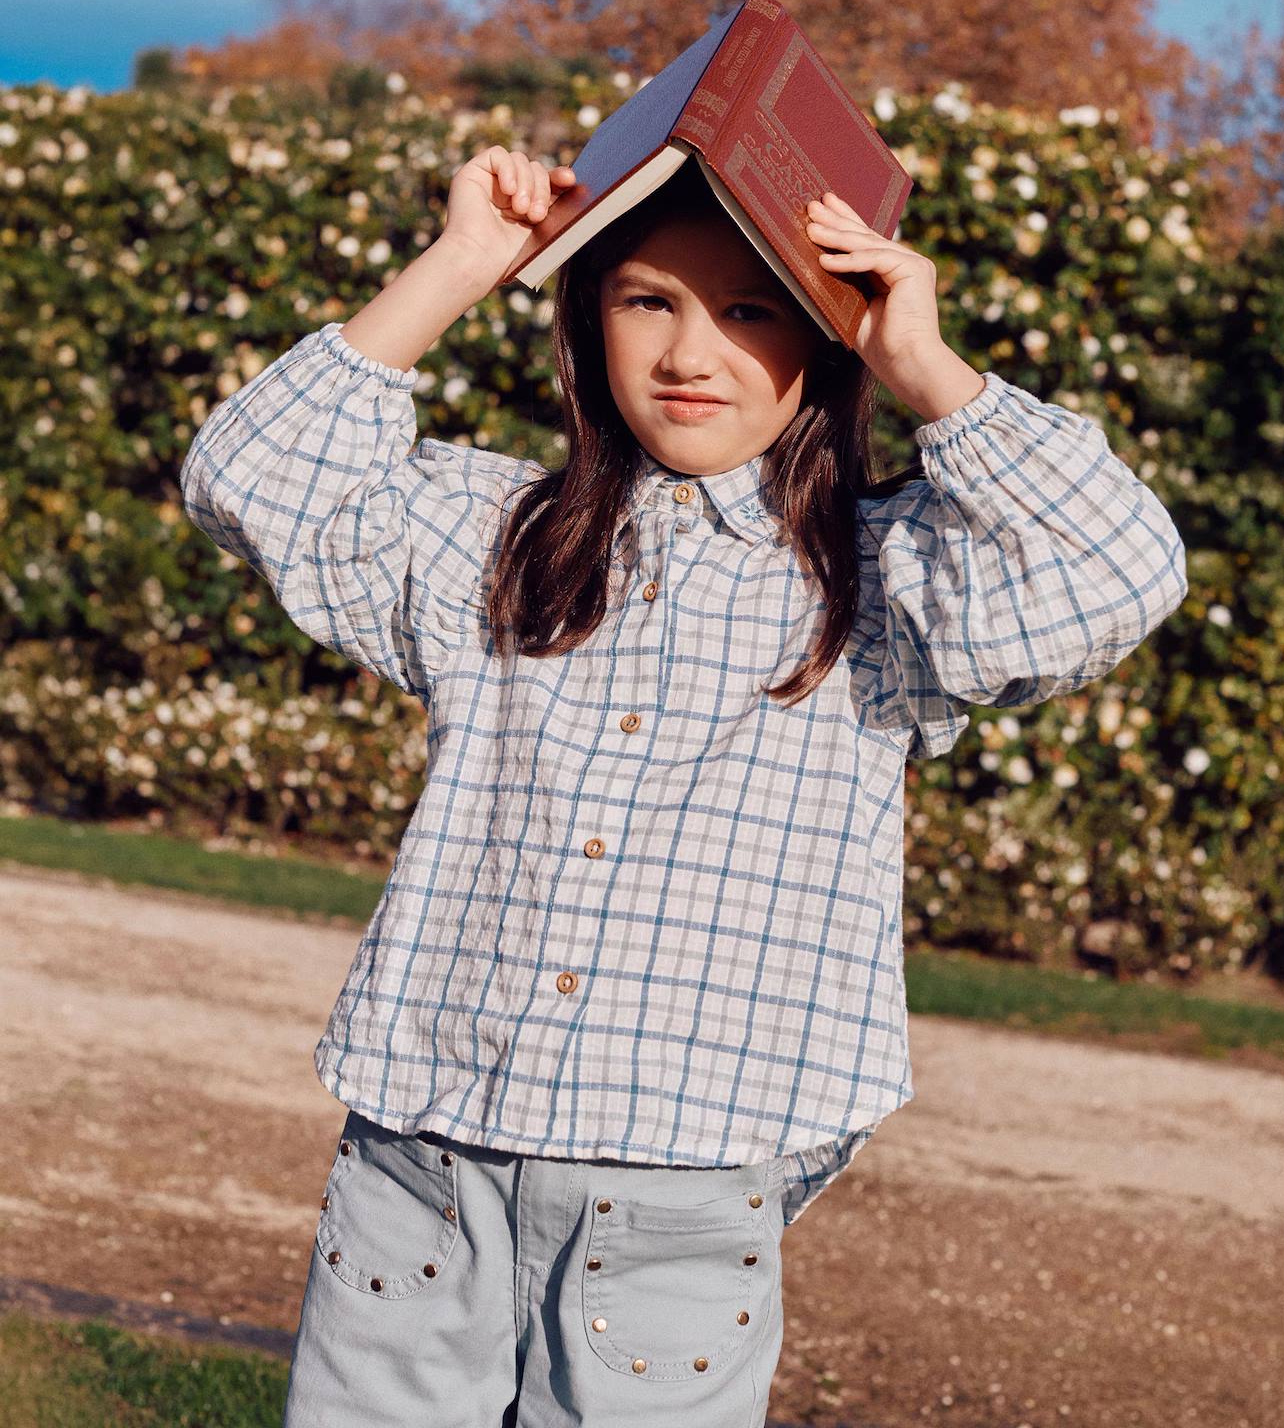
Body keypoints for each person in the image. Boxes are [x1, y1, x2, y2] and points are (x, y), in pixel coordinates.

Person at [180, 142, 1187, 1427]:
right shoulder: (497, 539)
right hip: (423, 1160)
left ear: (826, 335)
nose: (689, 354)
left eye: (752, 308)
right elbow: (250, 479)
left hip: (681, 1193)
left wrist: (922, 365)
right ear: (590, 315)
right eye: (647, 299)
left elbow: (1119, 573)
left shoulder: (888, 585)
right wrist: (466, 262)